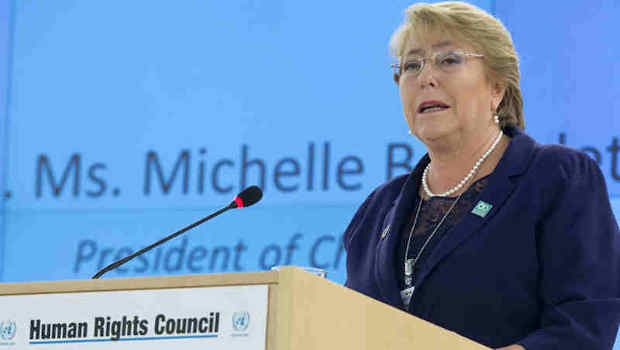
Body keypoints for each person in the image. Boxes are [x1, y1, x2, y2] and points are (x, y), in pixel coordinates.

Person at [343, 2, 620, 350]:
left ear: (497, 88)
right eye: (411, 65)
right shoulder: (376, 210)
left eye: (448, 60)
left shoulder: (556, 178)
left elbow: (584, 326)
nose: (425, 77)